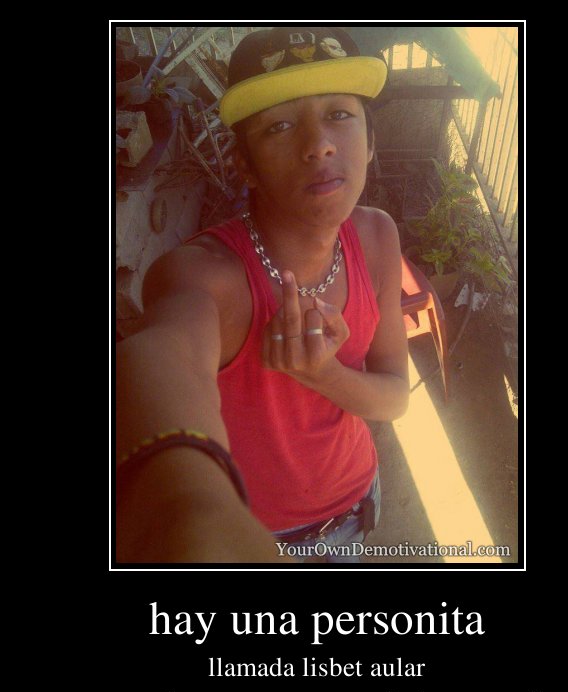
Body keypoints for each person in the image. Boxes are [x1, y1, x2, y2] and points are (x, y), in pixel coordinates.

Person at [116, 26, 409, 563]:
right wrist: (191, 509)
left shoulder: (375, 236)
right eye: (280, 125)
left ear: (370, 142)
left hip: (358, 505)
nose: (319, 144)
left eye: (339, 114)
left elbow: (395, 397)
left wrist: (323, 374)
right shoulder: (205, 276)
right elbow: (162, 354)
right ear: (244, 165)